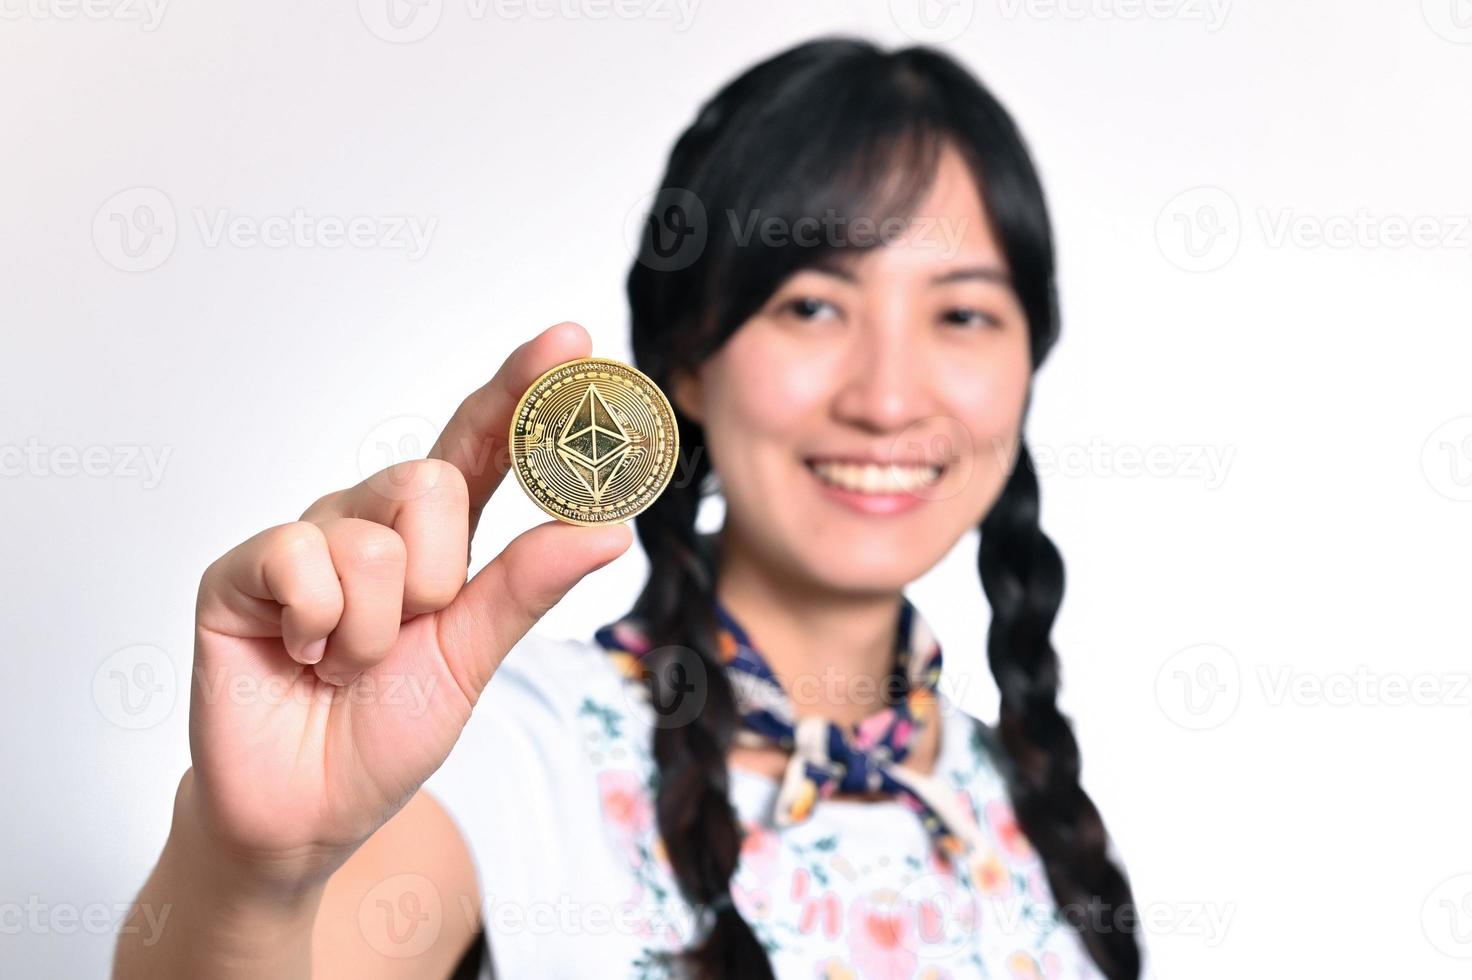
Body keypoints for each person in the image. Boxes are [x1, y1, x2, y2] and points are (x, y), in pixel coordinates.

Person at [115, 37, 1142, 980]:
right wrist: (255, 876)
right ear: (685, 361)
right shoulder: (509, 747)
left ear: (1025, 363)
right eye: (812, 306)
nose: (884, 397)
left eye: (961, 313)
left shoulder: (1031, 803)